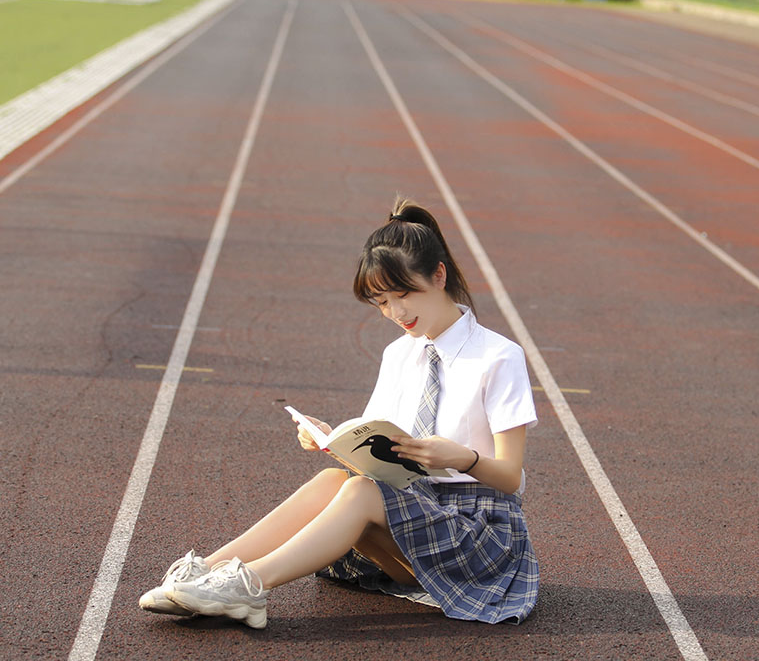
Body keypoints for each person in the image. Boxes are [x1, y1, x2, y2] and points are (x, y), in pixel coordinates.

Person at [139, 197, 539, 628]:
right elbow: (379, 452)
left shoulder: (498, 357)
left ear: (438, 275)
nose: (396, 313)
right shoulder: (398, 355)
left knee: (361, 492)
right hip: (411, 521)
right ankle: (211, 571)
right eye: (382, 303)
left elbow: (512, 478)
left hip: (478, 534)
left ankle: (249, 587)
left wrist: (459, 457)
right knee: (336, 478)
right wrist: (332, 440)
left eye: (403, 294)